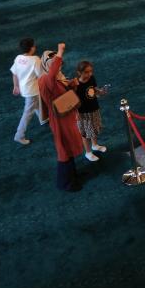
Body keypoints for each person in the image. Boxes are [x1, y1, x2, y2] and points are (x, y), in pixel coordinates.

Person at [37, 44, 84, 191]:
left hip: (66, 117)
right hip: (60, 120)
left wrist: (71, 86)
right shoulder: (46, 79)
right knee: (64, 152)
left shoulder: (56, 78)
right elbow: (52, 74)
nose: (58, 68)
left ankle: (73, 177)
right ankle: (66, 183)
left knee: (68, 149)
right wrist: (61, 51)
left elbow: (62, 94)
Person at [11, 37, 44, 146]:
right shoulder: (35, 60)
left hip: (24, 88)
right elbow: (41, 76)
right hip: (32, 90)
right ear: (31, 48)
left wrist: (16, 86)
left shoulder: (18, 57)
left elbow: (14, 73)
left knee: (37, 104)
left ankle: (43, 118)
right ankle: (19, 135)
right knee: (28, 112)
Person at [74, 61, 107, 162]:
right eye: (86, 72)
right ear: (79, 72)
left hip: (94, 108)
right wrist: (76, 113)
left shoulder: (92, 78)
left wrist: (100, 92)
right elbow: (73, 100)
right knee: (85, 133)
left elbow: (94, 89)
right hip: (83, 113)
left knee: (94, 128)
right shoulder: (76, 84)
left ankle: (95, 145)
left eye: (91, 71)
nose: (90, 74)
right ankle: (88, 152)